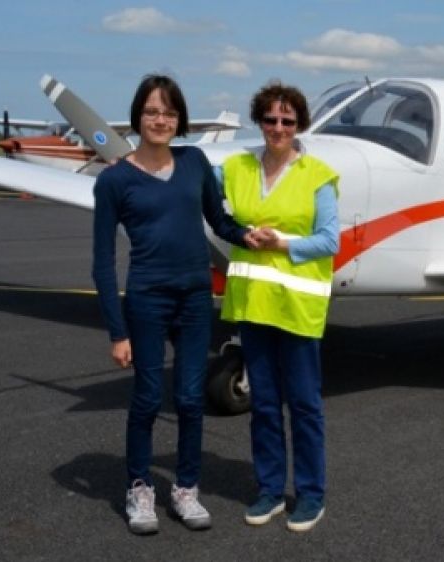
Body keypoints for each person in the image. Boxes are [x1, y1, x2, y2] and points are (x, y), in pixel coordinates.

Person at [91, 74, 256, 535]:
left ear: (179, 119)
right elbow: (102, 262)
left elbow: (219, 221)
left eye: (168, 112)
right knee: (146, 398)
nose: (159, 119)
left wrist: (248, 236)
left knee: (188, 399)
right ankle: (139, 488)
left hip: (195, 299)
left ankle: (186, 489)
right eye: (151, 111)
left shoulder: (195, 162)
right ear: (137, 118)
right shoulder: (114, 181)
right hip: (147, 300)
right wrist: (116, 330)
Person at [218, 80, 340, 532]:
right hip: (253, 305)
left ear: (299, 124)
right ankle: (269, 489)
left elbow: (330, 240)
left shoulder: (318, 175)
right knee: (265, 405)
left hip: (298, 307)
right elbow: (206, 198)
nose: (278, 127)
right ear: (259, 121)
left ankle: (310, 495)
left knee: (305, 406)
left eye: (287, 120)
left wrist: (282, 241)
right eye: (270, 119)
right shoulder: (235, 167)